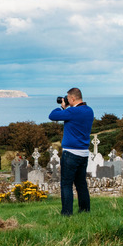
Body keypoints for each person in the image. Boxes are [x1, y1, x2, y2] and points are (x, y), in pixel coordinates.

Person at [49, 87, 94, 216]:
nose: (67, 100)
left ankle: (67, 213)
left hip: (71, 153)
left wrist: (63, 108)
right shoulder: (89, 111)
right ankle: (85, 210)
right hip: (84, 153)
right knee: (81, 184)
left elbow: (52, 116)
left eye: (68, 98)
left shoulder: (72, 112)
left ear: (72, 99)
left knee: (66, 184)